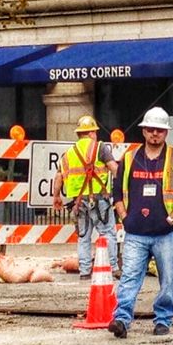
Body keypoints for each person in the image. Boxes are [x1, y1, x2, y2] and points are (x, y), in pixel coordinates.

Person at [108, 107, 173, 338]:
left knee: (168, 279)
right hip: (136, 231)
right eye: (150, 130)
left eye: (159, 130)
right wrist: (124, 216)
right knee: (129, 278)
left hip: (166, 232)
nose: (155, 134)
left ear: (166, 133)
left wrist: (172, 216)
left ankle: (163, 320)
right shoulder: (129, 158)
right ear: (144, 131)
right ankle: (121, 320)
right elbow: (117, 190)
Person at [52, 115, 119, 279]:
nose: (96, 135)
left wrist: (57, 197)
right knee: (108, 233)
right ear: (91, 133)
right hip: (99, 199)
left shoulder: (68, 154)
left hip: (78, 201)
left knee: (83, 237)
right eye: (95, 132)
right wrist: (120, 191)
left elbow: (58, 177)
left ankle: (84, 272)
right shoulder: (100, 148)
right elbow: (114, 168)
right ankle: (113, 268)